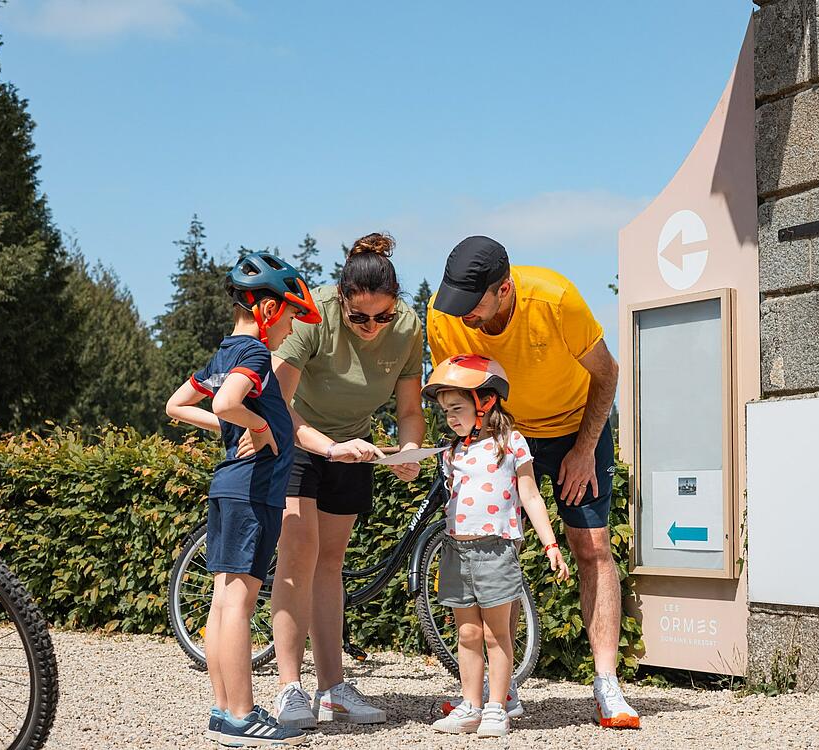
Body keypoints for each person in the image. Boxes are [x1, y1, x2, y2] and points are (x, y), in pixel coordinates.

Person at [427, 235, 641, 729]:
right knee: (498, 549)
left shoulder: (556, 299)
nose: (462, 317)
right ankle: (505, 691)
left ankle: (606, 683)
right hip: (506, 432)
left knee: (591, 547)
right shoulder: (446, 314)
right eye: (454, 304)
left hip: (573, 426)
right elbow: (456, 387)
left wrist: (585, 450)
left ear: (504, 290)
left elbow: (607, 373)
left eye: (472, 305)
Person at [262, 232, 426, 728]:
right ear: (342, 301)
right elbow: (275, 404)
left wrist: (410, 450)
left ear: (396, 305)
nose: (373, 327)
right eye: (359, 318)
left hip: (354, 446)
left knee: (330, 562)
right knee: (297, 557)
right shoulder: (314, 314)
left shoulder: (409, 328)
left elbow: (410, 410)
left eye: (383, 316)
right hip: (295, 442)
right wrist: (327, 447)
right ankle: (290, 689)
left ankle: (332, 688)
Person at [165, 252, 322, 746]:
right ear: (271, 310)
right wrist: (254, 423)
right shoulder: (254, 355)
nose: (291, 330)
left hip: (229, 486)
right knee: (239, 600)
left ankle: (224, 710)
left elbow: (177, 405)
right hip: (253, 492)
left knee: (222, 600)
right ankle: (241, 714)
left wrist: (243, 427)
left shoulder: (225, 353)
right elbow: (225, 402)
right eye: (293, 316)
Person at [423, 354, 569, 737]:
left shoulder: (511, 443)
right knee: (467, 634)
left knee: (495, 633)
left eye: (457, 407)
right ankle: (470, 705)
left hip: (495, 550)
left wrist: (550, 543)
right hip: (456, 551)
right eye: (445, 411)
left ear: (485, 402)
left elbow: (531, 497)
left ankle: (496, 706)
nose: (451, 417)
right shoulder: (453, 451)